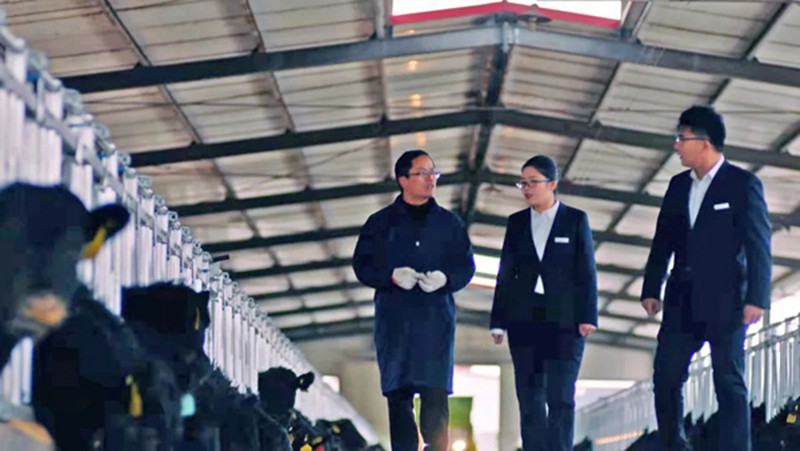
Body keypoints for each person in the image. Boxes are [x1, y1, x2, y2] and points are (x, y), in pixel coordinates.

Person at [641, 105, 772, 451]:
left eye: (681, 139)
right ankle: (674, 445)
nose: (676, 146)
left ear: (704, 142)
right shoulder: (677, 186)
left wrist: (757, 298)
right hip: (681, 299)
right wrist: (651, 288)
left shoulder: (742, 185)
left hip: (726, 299)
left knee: (728, 380)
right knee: (666, 377)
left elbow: (759, 245)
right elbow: (662, 240)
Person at [352, 149, 476, 451]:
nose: (430, 179)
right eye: (422, 173)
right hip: (395, 323)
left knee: (435, 397)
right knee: (399, 396)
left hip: (435, 322)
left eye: (433, 173)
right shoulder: (379, 224)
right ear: (403, 179)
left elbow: (466, 266)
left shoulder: (449, 224)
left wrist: (446, 278)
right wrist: (391, 276)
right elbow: (362, 266)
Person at [489, 155, 598, 451]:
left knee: (560, 396)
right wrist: (498, 321)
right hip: (523, 320)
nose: (526, 188)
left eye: (533, 182)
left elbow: (586, 270)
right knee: (530, 396)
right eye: (522, 183)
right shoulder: (516, 223)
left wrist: (588, 315)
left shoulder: (575, 220)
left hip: (565, 322)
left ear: (552, 184)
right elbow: (505, 273)